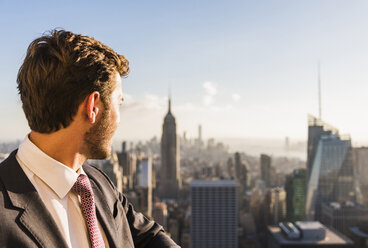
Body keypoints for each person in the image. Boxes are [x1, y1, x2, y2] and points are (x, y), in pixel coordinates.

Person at [0, 30, 179, 248]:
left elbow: (148, 236)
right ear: (93, 107)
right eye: (118, 104)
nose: (119, 119)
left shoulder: (97, 183)